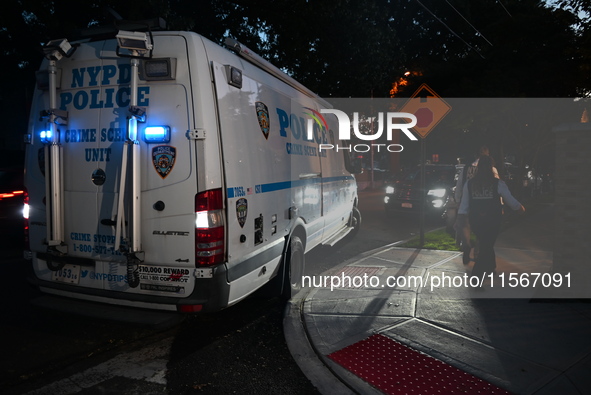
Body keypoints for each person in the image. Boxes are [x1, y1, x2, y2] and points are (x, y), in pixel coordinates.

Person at [458, 155, 525, 281]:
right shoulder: (497, 183)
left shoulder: (470, 184)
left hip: (476, 221)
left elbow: (464, 206)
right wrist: (520, 208)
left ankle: (490, 267)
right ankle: (477, 277)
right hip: (493, 220)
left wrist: (461, 219)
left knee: (485, 243)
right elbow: (510, 200)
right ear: (491, 168)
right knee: (486, 245)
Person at [454, 146, 498, 265]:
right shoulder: (491, 169)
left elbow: (459, 185)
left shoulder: (466, 168)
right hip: (481, 205)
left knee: (465, 228)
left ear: (475, 155)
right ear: (488, 156)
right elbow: (496, 188)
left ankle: (467, 245)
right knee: (481, 231)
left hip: (465, 204)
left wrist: (458, 199)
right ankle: (478, 253)